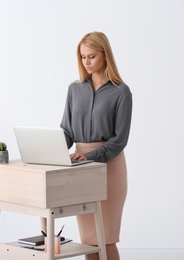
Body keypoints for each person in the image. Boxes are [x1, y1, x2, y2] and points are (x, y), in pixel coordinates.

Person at [60, 31, 132, 260]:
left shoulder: (121, 92)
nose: (86, 62)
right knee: (89, 241)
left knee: (106, 239)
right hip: (81, 169)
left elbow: (120, 140)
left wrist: (91, 155)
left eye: (91, 56)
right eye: (82, 57)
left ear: (105, 55)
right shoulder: (75, 89)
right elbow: (67, 131)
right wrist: (52, 149)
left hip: (109, 169)